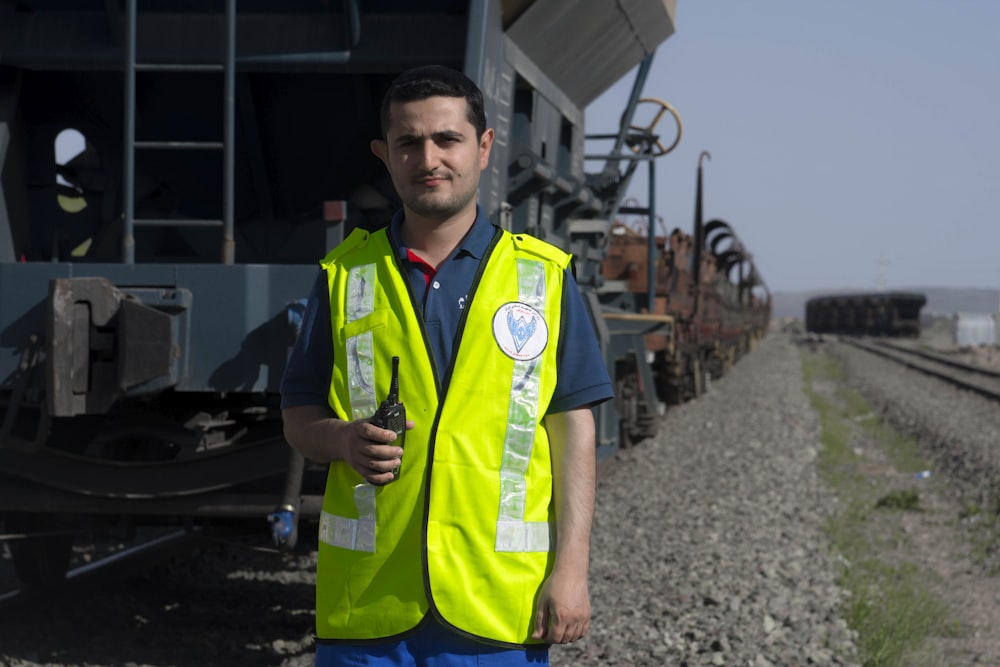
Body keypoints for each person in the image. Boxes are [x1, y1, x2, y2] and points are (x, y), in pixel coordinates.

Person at [280, 65, 613, 666]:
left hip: (495, 612)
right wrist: (341, 439)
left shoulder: (542, 278)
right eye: (409, 142)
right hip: (367, 610)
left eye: (447, 139)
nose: (428, 158)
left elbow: (573, 430)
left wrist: (572, 571)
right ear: (385, 155)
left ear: (484, 147)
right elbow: (298, 413)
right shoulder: (344, 277)